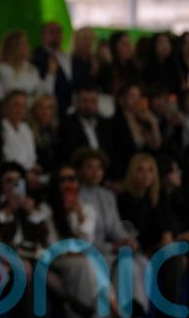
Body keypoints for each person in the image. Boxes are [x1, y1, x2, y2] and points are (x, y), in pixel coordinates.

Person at [73, 149, 149, 315]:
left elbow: (116, 227)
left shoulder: (107, 195)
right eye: (90, 167)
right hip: (94, 252)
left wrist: (127, 240)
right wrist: (113, 247)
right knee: (127, 266)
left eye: (99, 167)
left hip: (111, 249)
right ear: (79, 171)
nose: (95, 172)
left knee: (141, 262)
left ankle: (139, 310)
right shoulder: (76, 196)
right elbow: (84, 237)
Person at [117, 153, 186, 314]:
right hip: (137, 248)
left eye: (150, 170)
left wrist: (168, 236)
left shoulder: (158, 195)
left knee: (175, 260)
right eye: (140, 170)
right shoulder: (124, 198)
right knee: (173, 261)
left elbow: (165, 225)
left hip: (156, 247)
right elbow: (130, 231)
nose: (146, 174)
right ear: (132, 173)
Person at [41, 165, 98, 318]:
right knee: (85, 263)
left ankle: (86, 310)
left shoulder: (86, 209)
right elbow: (52, 245)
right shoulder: (46, 208)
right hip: (53, 258)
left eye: (72, 179)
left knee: (91, 263)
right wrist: (63, 213)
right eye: (63, 180)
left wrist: (79, 216)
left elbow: (87, 243)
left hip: (78, 257)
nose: (68, 184)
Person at [111, 83, 161, 183]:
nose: (136, 100)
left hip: (144, 173)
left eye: (138, 96)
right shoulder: (114, 123)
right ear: (121, 99)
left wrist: (154, 123)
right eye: (132, 96)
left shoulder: (142, 121)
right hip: (124, 172)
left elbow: (156, 145)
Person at [59, 83, 113, 163]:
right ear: (77, 102)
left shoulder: (106, 125)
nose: (89, 106)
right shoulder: (67, 126)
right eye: (84, 101)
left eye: (93, 101)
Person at [0, 30, 56, 98]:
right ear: (14, 47)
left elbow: (44, 93)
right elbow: (2, 95)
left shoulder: (31, 69)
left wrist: (51, 73)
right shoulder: (2, 69)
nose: (28, 47)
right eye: (24, 44)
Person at [31, 22, 73, 115]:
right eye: (51, 32)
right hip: (50, 109)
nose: (56, 35)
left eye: (59, 32)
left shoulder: (68, 57)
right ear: (42, 36)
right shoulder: (37, 58)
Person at [0, 90, 37, 172]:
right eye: (16, 105)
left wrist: (31, 169)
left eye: (23, 105)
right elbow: (8, 156)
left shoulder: (25, 127)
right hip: (10, 171)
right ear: (6, 107)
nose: (20, 109)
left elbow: (32, 155)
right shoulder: (0, 128)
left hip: (28, 171)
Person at [29, 94, 60, 175]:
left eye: (49, 108)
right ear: (34, 110)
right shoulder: (28, 130)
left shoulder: (56, 130)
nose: (45, 111)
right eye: (41, 107)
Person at [70, 27, 99, 91]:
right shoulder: (69, 60)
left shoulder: (96, 60)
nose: (89, 42)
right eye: (85, 38)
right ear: (76, 40)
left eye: (91, 39)